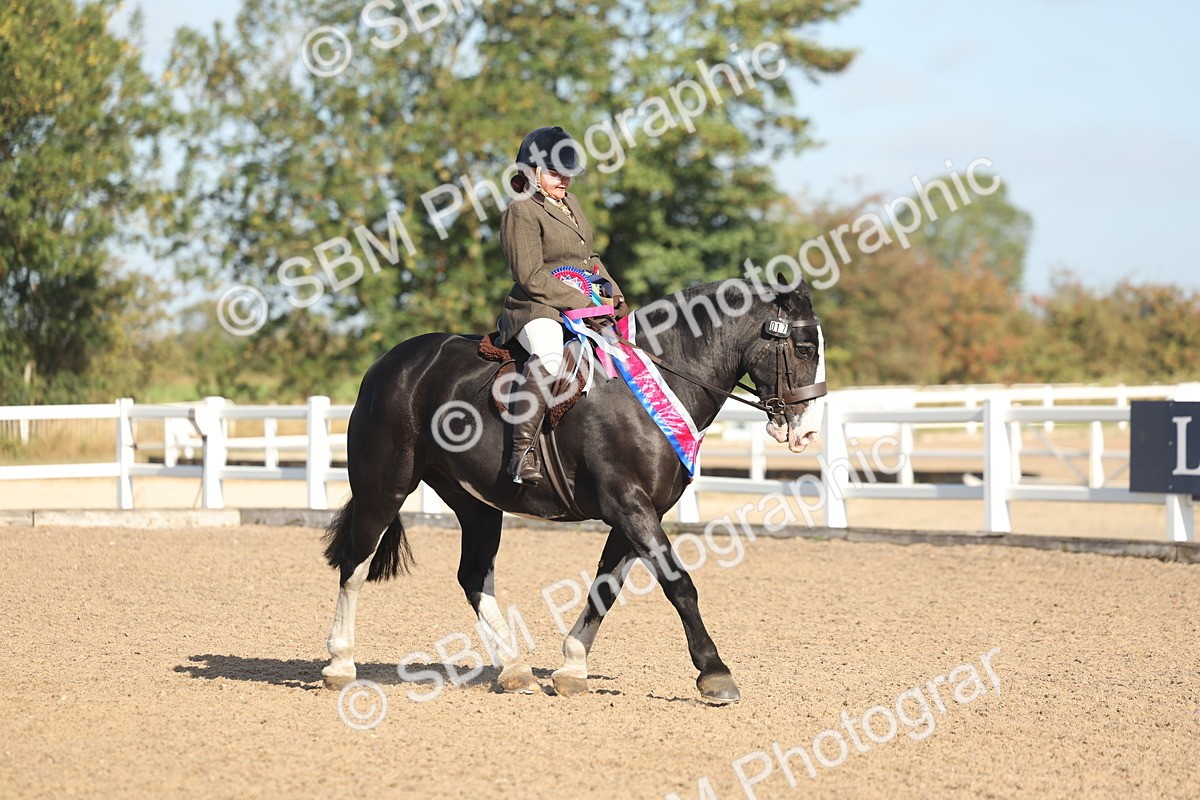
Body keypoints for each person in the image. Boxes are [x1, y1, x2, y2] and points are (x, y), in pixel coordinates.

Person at [497, 126, 627, 485]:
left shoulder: (571, 205)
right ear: (532, 172)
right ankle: (521, 453)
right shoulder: (520, 211)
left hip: (582, 305)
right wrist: (584, 301)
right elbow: (531, 275)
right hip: (536, 308)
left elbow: (591, 260)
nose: (565, 179)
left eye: (567, 172)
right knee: (551, 357)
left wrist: (614, 297)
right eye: (555, 172)